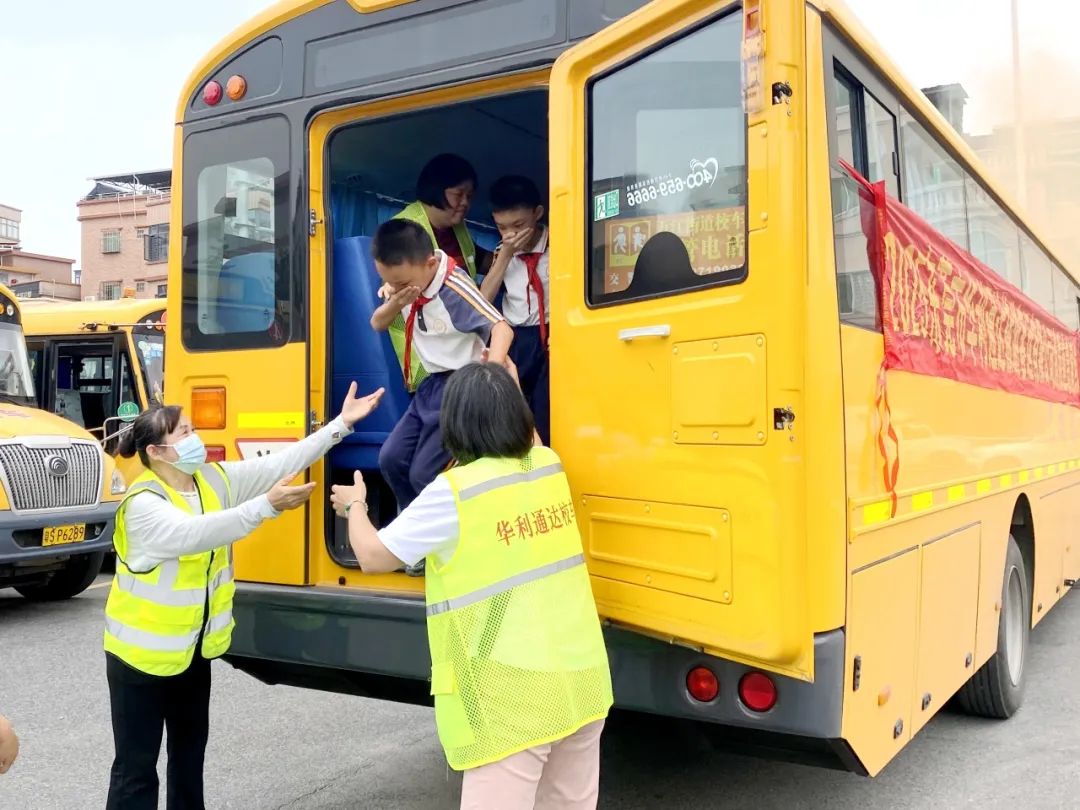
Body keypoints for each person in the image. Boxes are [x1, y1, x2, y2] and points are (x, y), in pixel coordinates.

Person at [330, 362, 613, 810]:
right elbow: (531, 438)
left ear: (454, 425)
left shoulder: (454, 493)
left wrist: (357, 506)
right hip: (583, 677)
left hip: (513, 695)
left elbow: (372, 556)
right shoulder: (547, 465)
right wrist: (510, 382)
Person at [103, 382, 384, 810]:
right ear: (156, 452)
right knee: (136, 770)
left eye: (192, 428)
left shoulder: (210, 480)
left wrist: (340, 425)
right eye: (183, 433)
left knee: (188, 758)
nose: (195, 439)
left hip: (191, 652)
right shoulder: (145, 504)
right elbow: (198, 534)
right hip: (139, 659)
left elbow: (281, 463)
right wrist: (267, 507)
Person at [370, 218, 512, 520]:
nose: (394, 288)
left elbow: (501, 327)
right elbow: (378, 323)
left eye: (400, 282)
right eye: (387, 280)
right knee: (391, 459)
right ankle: (414, 535)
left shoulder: (453, 286)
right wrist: (397, 298)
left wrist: (493, 375)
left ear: (430, 263)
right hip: (432, 385)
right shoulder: (406, 282)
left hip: (463, 388)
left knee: (425, 473)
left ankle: (450, 537)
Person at [388, 154, 494, 392]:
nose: (465, 202)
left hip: (458, 343)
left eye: (470, 196)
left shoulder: (455, 228)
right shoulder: (405, 229)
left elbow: (477, 259)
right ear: (437, 190)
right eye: (459, 194)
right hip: (429, 354)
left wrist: (512, 252)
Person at [480, 175, 551, 445]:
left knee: (547, 409)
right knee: (516, 411)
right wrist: (506, 255)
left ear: (538, 213)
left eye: (519, 225)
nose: (511, 234)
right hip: (518, 339)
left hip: (553, 336)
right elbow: (484, 300)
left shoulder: (562, 244)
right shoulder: (503, 251)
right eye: (502, 227)